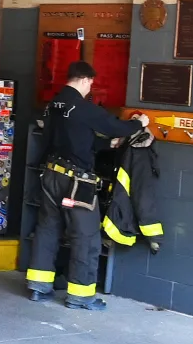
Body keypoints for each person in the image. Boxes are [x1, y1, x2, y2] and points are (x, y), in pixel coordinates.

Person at [26, 61, 153, 311]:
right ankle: (81, 296)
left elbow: (75, 138)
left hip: (51, 176)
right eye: (91, 83)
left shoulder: (54, 104)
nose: (90, 88)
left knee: (48, 229)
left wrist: (107, 145)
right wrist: (140, 123)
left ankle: (38, 287)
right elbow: (116, 126)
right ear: (85, 80)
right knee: (86, 236)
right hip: (77, 183)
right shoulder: (82, 107)